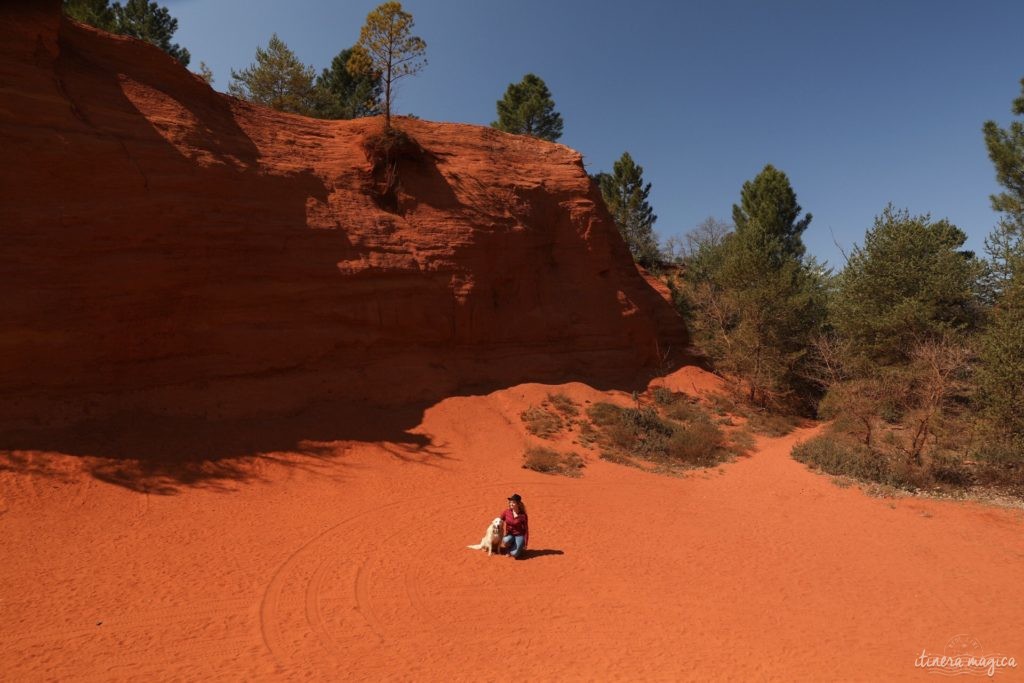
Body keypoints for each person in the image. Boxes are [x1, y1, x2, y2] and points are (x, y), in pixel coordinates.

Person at [499, 493, 528, 559]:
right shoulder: (506, 512)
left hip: (519, 535)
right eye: (510, 502)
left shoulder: (523, 515)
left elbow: (526, 529)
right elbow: (499, 521)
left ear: (518, 504)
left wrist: (525, 543)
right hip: (510, 535)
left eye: (513, 502)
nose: (511, 504)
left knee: (515, 554)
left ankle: (519, 546)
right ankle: (509, 550)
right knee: (506, 540)